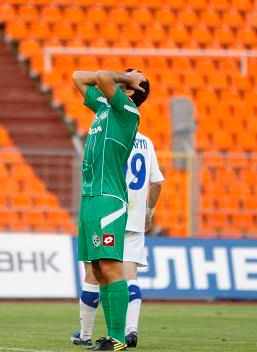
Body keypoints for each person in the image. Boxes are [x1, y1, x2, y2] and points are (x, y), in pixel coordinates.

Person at [72, 69, 150, 351]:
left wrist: (124, 79)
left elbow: (104, 76)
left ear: (130, 91)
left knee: (110, 267)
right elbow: (78, 77)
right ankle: (111, 337)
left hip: (109, 197)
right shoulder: (104, 108)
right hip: (90, 197)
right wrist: (126, 79)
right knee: (97, 269)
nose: (127, 73)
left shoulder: (127, 110)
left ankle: (117, 338)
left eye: (132, 75)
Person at [71, 131, 164, 349]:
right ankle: (130, 331)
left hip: (109, 209)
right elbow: (157, 183)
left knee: (95, 272)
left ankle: (85, 334)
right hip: (136, 215)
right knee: (129, 275)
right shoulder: (146, 141)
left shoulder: (110, 134)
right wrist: (148, 212)